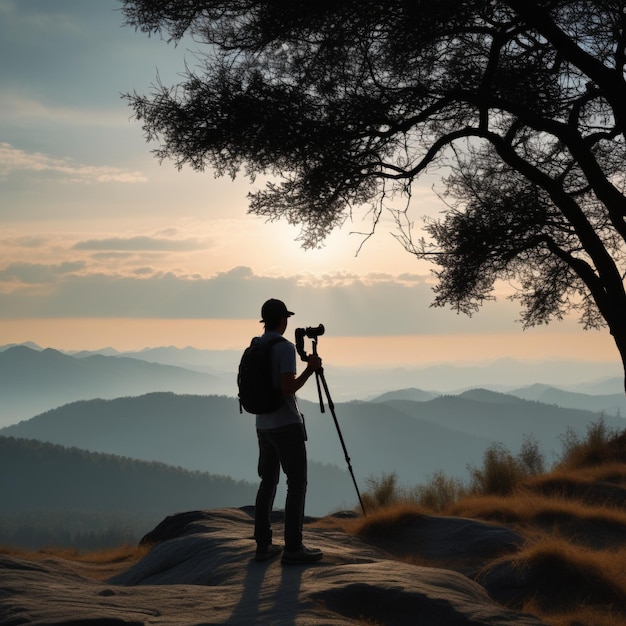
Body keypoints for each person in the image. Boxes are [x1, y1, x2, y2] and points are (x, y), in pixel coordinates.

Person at [253, 298, 323, 564]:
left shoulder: (257, 345)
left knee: (268, 482)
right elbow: (287, 389)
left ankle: (263, 544)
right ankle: (293, 548)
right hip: (285, 425)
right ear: (283, 320)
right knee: (296, 483)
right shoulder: (283, 348)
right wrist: (310, 369)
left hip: (262, 425)